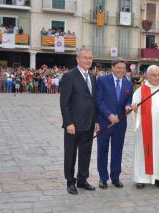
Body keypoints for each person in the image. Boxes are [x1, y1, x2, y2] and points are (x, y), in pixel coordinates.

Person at [60, 49, 98, 194]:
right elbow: (64, 103)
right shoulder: (69, 76)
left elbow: (93, 101)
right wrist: (68, 122)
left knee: (85, 153)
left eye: (90, 58)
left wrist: (95, 121)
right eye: (85, 58)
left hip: (88, 124)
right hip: (73, 125)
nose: (88, 60)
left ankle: (82, 179)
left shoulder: (93, 77)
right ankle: (70, 181)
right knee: (70, 154)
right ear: (78, 59)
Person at [95, 58, 133, 189]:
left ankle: (115, 177)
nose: (121, 70)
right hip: (104, 122)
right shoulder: (102, 80)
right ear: (113, 67)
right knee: (102, 150)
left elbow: (129, 100)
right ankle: (103, 178)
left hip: (120, 124)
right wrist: (109, 115)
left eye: (123, 68)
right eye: (119, 67)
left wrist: (128, 107)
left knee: (117, 150)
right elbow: (98, 101)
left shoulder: (128, 83)